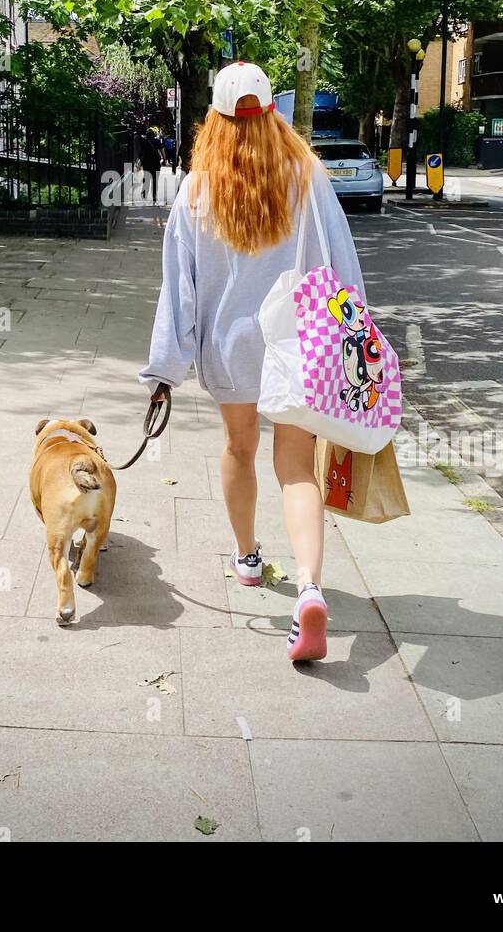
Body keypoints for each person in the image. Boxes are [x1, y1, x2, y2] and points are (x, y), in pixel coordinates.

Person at [139, 61, 366, 664]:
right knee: (296, 467)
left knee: (239, 449)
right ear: (272, 113)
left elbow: (178, 289)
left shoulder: (196, 188)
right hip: (297, 343)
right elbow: (339, 261)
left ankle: (246, 558)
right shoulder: (308, 175)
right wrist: (356, 341)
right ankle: (310, 587)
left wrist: (166, 367)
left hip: (229, 346)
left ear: (214, 118)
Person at [138, 125, 164, 203]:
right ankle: (154, 196)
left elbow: (140, 153)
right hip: (156, 164)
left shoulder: (144, 142)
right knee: (155, 181)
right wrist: (164, 159)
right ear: (154, 135)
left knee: (147, 179)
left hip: (146, 164)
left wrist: (140, 161)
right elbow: (162, 151)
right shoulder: (157, 141)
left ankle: (145, 193)